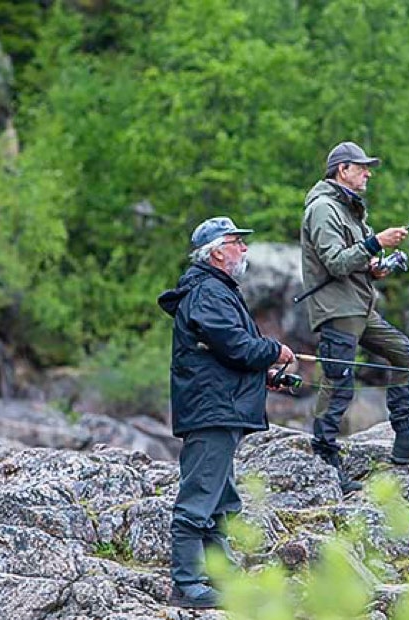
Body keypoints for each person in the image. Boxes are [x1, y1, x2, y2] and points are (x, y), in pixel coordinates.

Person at [158, 216, 295, 609]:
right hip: (211, 412)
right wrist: (273, 352)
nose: (244, 249)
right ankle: (186, 584)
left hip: (219, 408)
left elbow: (220, 355)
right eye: (237, 242)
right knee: (200, 498)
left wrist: (264, 375)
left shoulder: (214, 290)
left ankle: (223, 580)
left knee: (221, 500)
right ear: (217, 252)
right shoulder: (209, 292)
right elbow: (234, 345)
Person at [300, 141, 409, 493]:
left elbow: (353, 261)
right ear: (343, 171)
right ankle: (324, 456)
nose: (368, 173)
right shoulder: (323, 208)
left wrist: (375, 267)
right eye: (362, 167)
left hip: (360, 306)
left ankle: (407, 440)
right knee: (338, 383)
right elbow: (335, 262)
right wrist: (376, 243)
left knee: (405, 356)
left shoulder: (349, 209)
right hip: (338, 309)